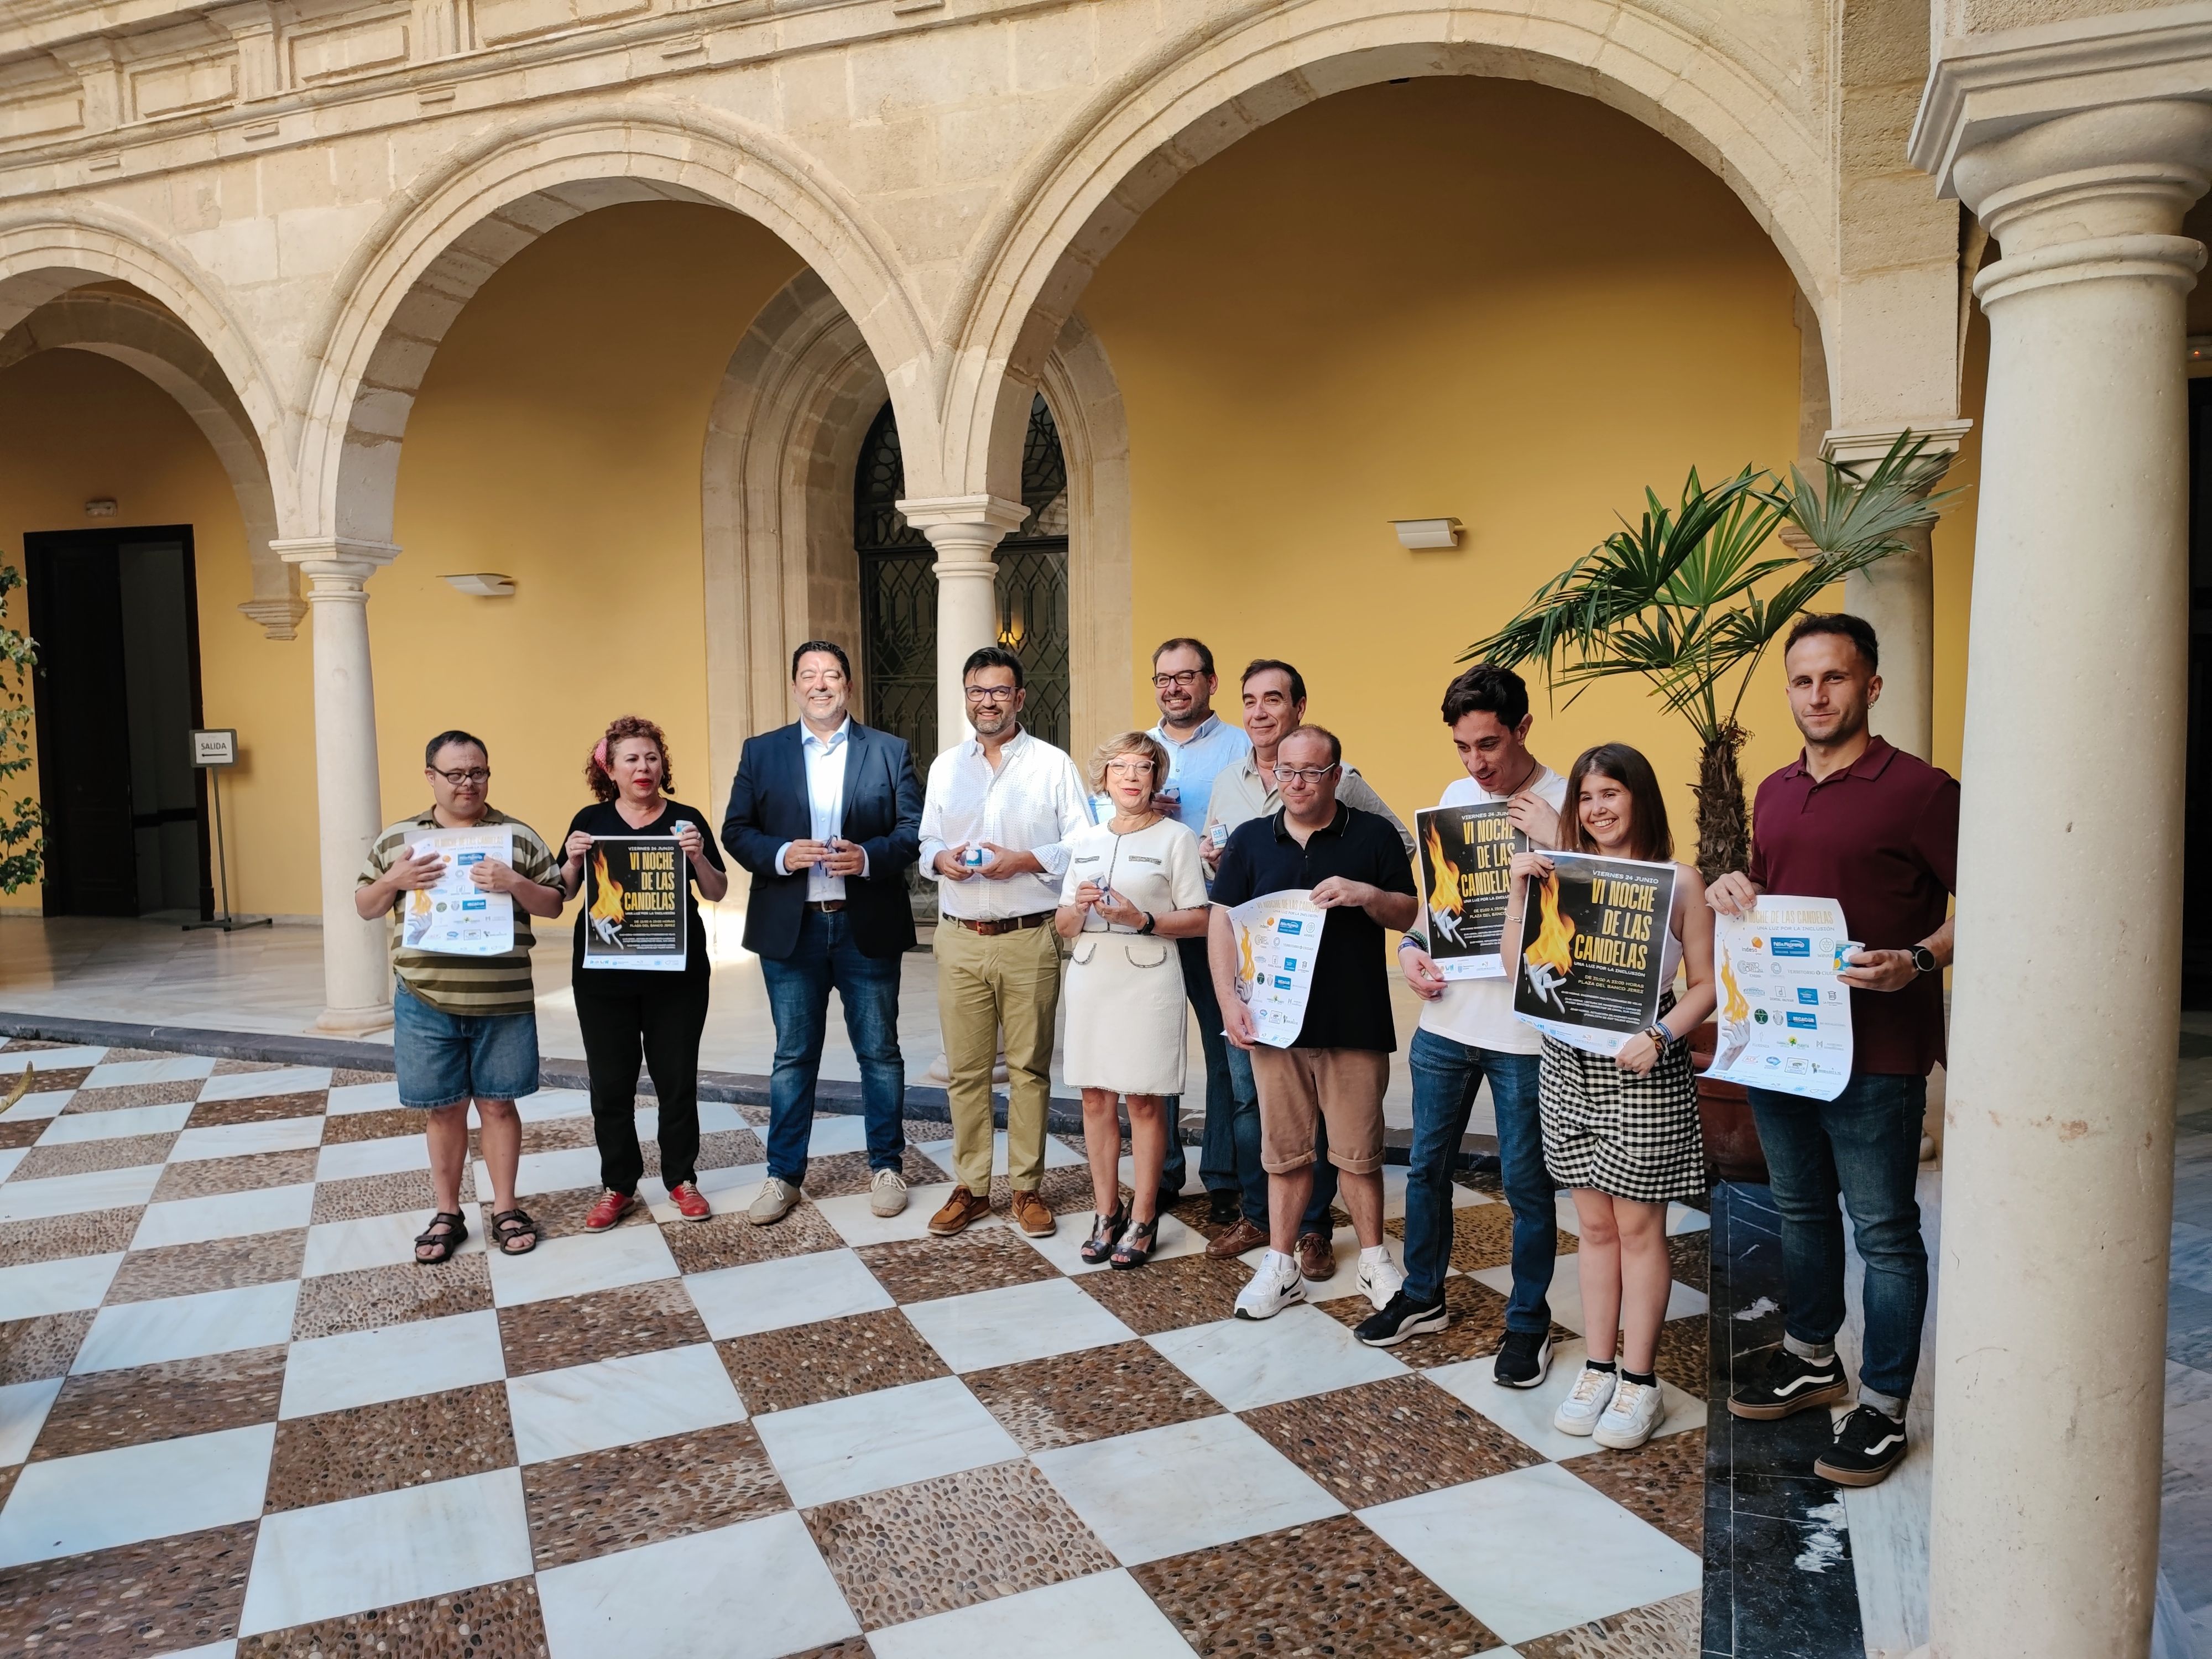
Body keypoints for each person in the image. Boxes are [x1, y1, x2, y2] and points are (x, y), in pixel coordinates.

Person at [1709, 612, 1956, 1488]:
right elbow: (1776, 900)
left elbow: (1988, 901)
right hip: (1784, 1048)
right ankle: (1814, 1358)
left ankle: (1884, 1407)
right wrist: (1736, 888)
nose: (1817, 695)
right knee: (1802, 1212)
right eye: (1803, 681)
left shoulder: (1922, 790)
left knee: (1885, 1233)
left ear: (1872, 686)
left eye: (1836, 678)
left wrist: (1920, 958)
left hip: (1880, 1053)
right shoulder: (1774, 789)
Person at [1359, 664, 1568, 1387]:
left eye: (1490, 745)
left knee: (1526, 1185)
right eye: (1463, 748)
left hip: (1526, 1036)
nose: (1477, 764)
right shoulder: (1456, 799)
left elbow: (1595, 921)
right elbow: (1436, 910)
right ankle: (1422, 1295)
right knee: (1426, 1167)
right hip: (1449, 1019)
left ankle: (1529, 1323)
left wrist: (1560, 838)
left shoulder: (1568, 800)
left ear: (1523, 730)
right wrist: (1413, 951)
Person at [1501, 743, 1714, 1449]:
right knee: (1591, 1229)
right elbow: (1515, 969)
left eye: (1610, 794)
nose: (1596, 809)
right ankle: (1597, 1366)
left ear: (1639, 799)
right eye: (1586, 797)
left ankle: (1640, 1380)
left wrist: (1661, 1035)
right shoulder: (1558, 876)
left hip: (1641, 1068)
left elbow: (1709, 986)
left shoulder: (1678, 881)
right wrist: (1519, 889)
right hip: (1568, 1065)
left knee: (1638, 1229)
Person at [1202, 659, 1413, 1271]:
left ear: (1333, 775)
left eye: (1310, 772)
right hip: (1272, 1010)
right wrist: (1229, 1000)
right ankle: (1277, 1252)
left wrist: (1366, 893)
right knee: (1279, 1142)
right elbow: (1222, 913)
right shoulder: (1245, 827)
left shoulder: (1366, 827)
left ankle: (1361, 1255)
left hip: (1350, 1014)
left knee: (1356, 1151)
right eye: (1288, 772)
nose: (1296, 782)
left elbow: (1403, 897)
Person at [721, 641, 924, 1223]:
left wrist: (868, 857)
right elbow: (736, 830)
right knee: (792, 1056)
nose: (820, 684)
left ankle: (886, 1165)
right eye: (809, 675)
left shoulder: (888, 751)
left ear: (848, 686)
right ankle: (782, 1176)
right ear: (794, 687)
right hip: (793, 930)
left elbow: (912, 830)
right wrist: (783, 853)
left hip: (865, 926)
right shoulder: (762, 752)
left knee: (880, 1054)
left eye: (831, 675)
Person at [354, 731, 564, 1262]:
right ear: (431, 776)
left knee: (498, 1104)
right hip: (425, 998)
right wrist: (395, 879)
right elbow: (364, 905)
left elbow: (554, 905)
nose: (468, 783)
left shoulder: (516, 836)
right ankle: (448, 1212)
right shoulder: (399, 839)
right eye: (455, 774)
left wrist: (515, 882)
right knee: (444, 1110)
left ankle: (505, 1208)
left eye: (478, 772)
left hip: (503, 999)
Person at [918, 645, 1091, 1238]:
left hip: (1027, 937)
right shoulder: (946, 768)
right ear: (965, 697)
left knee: (1028, 1071)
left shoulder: (1051, 765)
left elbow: (1082, 843)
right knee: (965, 1072)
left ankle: (1026, 1189)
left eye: (997, 691)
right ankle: (970, 1187)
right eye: (976, 691)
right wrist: (940, 858)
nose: (986, 701)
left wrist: (1025, 860)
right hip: (960, 937)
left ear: (1019, 697)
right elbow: (925, 844)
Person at [556, 717, 729, 1229]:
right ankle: (619, 1186)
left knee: (677, 1081)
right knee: (611, 1085)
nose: (643, 767)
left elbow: (718, 891)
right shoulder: (588, 820)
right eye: (631, 758)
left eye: (652, 757)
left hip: (676, 976)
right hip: (603, 977)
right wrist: (570, 861)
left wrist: (697, 857)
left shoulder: (685, 820)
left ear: (662, 765)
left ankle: (682, 1179)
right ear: (609, 768)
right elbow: (563, 894)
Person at [1056, 732, 1212, 1268]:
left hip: (1148, 976)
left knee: (1144, 1099)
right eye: (1119, 766)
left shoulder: (1176, 838)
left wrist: (1139, 919)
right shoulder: (1087, 841)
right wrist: (1077, 909)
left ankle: (1144, 1215)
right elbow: (1062, 925)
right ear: (1104, 777)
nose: (1130, 776)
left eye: (1142, 767)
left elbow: (1199, 917)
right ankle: (1106, 1212)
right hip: (1091, 974)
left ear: (1156, 777)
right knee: (1095, 1098)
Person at [1145, 638, 1252, 1227]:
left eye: (1186, 677)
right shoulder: (1140, 748)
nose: (1174, 688)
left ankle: (1224, 1177)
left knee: (1222, 1049)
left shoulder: (1242, 746)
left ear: (1210, 681)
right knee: (1158, 1049)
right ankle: (1160, 1173)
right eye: (1164, 678)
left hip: (1216, 920)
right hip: (1154, 924)